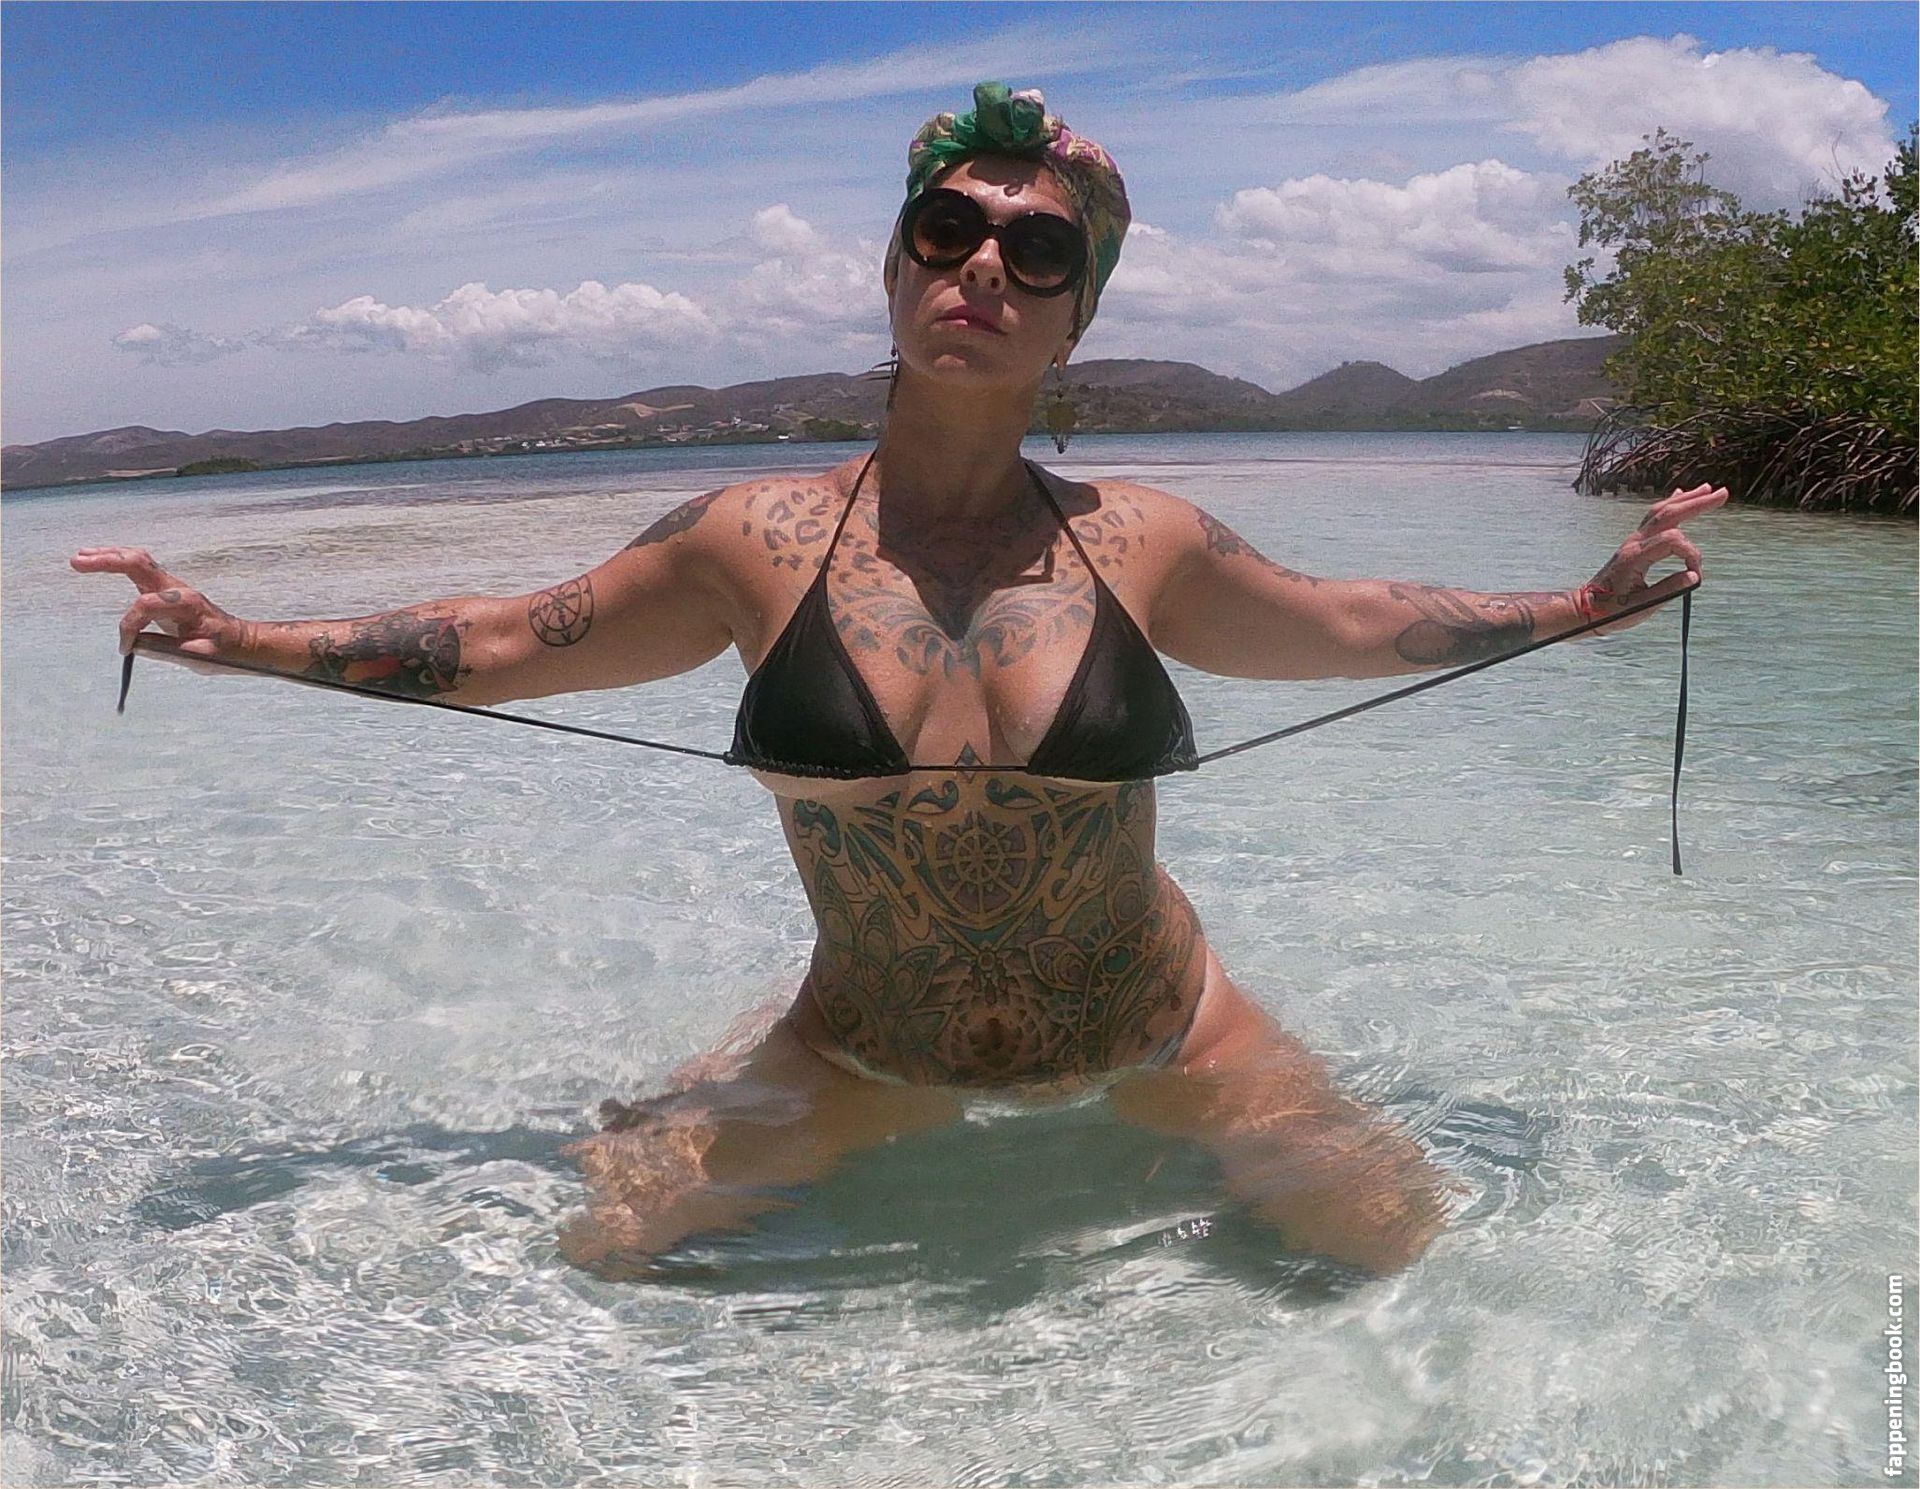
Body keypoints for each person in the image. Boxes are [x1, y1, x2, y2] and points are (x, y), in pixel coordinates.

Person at [73, 82, 1725, 1281]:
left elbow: (1349, 618)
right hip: (868, 1046)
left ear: (1074, 323)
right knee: (606, 1254)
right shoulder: (749, 542)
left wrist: (1582, 603)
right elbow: (506, 638)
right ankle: (751, 1063)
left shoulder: (1141, 539)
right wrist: (245, 638)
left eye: (1037, 250)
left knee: (1393, 1239)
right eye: (949, 230)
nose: (984, 266)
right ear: (893, 271)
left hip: (1159, 1023)